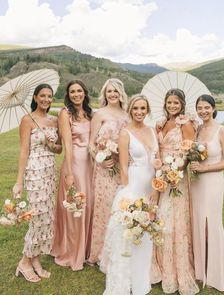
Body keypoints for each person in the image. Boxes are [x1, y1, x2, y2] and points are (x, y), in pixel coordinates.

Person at [100, 94, 161, 295]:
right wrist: (128, 194)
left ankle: (141, 280)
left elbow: (158, 162)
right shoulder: (125, 134)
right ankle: (123, 282)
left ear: (148, 110)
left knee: (145, 232)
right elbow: (123, 166)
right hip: (133, 187)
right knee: (129, 231)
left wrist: (155, 189)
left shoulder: (153, 131)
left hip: (150, 186)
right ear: (130, 110)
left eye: (143, 108)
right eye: (136, 108)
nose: (139, 112)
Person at [13, 83, 62, 282]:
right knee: (37, 217)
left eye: (49, 96)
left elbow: (59, 150)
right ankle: (25, 261)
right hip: (35, 172)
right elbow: (24, 151)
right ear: (35, 98)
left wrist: (53, 144)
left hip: (50, 170)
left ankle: (36, 260)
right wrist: (19, 182)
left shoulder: (54, 120)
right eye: (42, 96)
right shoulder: (27, 120)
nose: (46, 99)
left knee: (48, 217)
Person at [155, 88, 199, 294]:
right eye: (169, 102)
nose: (172, 106)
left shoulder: (186, 124)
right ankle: (161, 264)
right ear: (165, 104)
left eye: (176, 103)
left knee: (174, 220)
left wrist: (175, 172)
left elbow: (188, 153)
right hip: (159, 175)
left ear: (182, 104)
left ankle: (177, 269)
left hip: (176, 179)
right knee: (160, 218)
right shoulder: (162, 123)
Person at [190, 94, 224, 291]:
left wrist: (205, 168)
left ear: (214, 108)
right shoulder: (197, 130)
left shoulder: (222, 130)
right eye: (200, 108)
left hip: (213, 181)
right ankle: (201, 270)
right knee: (198, 223)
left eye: (206, 107)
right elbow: (190, 151)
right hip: (197, 183)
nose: (203, 111)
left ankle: (216, 272)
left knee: (211, 225)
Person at [51, 80, 93, 271]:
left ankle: (87, 249)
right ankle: (72, 250)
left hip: (90, 164)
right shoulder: (65, 113)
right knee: (77, 205)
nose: (76, 94)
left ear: (84, 92)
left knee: (89, 205)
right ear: (68, 95)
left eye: (79, 91)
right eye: (72, 92)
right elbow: (67, 144)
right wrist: (68, 171)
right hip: (74, 163)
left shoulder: (90, 113)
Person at [88, 78, 128, 264]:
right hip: (104, 169)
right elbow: (90, 145)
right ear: (105, 94)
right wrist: (100, 160)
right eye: (109, 91)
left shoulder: (128, 115)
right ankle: (100, 253)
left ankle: (119, 250)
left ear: (121, 93)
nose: (112, 94)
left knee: (120, 208)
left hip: (122, 168)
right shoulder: (100, 114)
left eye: (115, 91)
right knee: (104, 209)